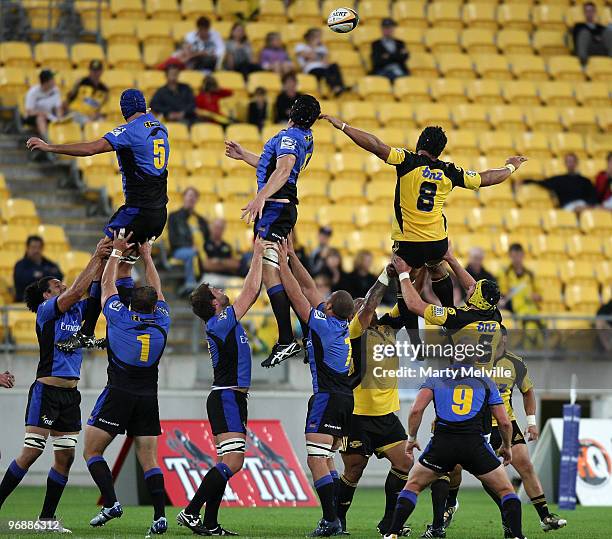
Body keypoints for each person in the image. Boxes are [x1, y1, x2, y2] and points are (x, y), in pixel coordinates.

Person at [319, 116, 527, 334]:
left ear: (420, 143)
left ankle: (413, 338)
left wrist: (344, 127)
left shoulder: (406, 161)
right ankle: (449, 318)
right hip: (437, 241)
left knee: (406, 280)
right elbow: (486, 178)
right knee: (437, 268)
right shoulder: (449, 171)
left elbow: (376, 146)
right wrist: (511, 167)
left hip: (409, 243)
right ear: (439, 152)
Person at [383, 252, 525, 539]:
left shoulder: (459, 318)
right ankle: (508, 529)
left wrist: (402, 274)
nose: (470, 287)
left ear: (477, 298)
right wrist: (449, 258)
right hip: (481, 400)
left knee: (437, 471)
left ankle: (434, 518)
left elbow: (414, 304)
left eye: (474, 289)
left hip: (451, 391)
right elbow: (474, 287)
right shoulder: (495, 318)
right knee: (491, 479)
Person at [26, 88, 170, 352]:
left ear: (124, 110)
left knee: (103, 256)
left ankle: (87, 331)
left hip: (137, 210)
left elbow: (92, 148)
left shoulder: (128, 130)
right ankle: (127, 326)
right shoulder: (161, 128)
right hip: (159, 214)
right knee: (123, 269)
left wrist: (50, 147)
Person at [0, 238, 110, 532]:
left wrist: (108, 259)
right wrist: (96, 253)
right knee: (32, 451)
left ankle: (46, 519)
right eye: (57, 285)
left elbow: (93, 288)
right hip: (46, 391)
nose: (63, 286)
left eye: (62, 284)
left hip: (69, 395)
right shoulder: (47, 312)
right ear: (47, 295)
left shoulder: (75, 312)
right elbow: (77, 289)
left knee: (66, 456)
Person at [176, 237, 266, 535]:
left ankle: (211, 523)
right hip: (227, 396)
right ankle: (191, 512)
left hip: (231, 398)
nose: (222, 290)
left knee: (225, 461)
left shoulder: (223, 322)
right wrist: (257, 253)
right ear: (214, 303)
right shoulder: (220, 322)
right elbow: (251, 291)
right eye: (216, 290)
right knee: (234, 462)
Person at [224, 94, 320, 368]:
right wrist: (245, 156)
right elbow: (275, 168)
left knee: (269, 271)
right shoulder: (304, 137)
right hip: (279, 208)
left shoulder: (290, 137)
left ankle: (289, 337)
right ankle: (301, 334)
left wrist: (261, 197)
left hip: (275, 209)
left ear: (292, 111)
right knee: (275, 271)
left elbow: (283, 170)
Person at [84, 234, 170, 537]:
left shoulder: (120, 318)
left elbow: (107, 287)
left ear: (131, 302)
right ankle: (159, 517)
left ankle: (111, 503)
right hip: (148, 397)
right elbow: (157, 291)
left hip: (119, 393)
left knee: (92, 451)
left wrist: (116, 254)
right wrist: (147, 256)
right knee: (149, 459)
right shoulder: (163, 319)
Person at [444, 325, 567, 536]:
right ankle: (451, 503)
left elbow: (528, 392)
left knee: (526, 465)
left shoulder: (516, 363)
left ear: (504, 339)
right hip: (476, 425)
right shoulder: (476, 359)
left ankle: (545, 516)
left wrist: (531, 422)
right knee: (458, 469)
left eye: (495, 337)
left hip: (506, 423)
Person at [274, 238, 354, 537]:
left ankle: (330, 520)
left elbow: (298, 296)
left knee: (314, 457)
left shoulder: (322, 324)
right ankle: (336, 521)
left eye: (326, 300)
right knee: (326, 458)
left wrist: (281, 263)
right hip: (344, 399)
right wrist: (294, 255)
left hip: (328, 397)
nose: (321, 300)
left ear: (330, 306)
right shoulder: (339, 324)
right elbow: (310, 289)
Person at [338, 268, 412, 536]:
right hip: (358, 414)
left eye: (363, 303)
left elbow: (408, 304)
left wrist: (414, 271)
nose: (362, 307)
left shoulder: (387, 326)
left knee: (404, 463)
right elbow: (370, 304)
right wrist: (386, 273)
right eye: (357, 307)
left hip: (386, 414)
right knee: (355, 470)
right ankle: (336, 520)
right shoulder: (355, 330)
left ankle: (389, 522)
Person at [168, 187, 209, 295]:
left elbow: (207, 238)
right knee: (192, 254)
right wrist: (189, 246)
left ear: (196, 200)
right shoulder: (174, 217)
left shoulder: (201, 220)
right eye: (189, 195)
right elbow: (173, 239)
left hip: (199, 251)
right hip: (179, 251)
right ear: (184, 198)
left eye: (194, 196)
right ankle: (191, 285)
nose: (191, 198)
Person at [525, 153, 598, 212]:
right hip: (567, 208)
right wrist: (527, 180)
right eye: (569, 161)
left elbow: (593, 197)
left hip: (584, 205)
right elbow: (544, 183)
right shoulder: (559, 180)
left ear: (577, 163)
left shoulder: (585, 181)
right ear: (565, 163)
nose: (571, 164)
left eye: (573, 161)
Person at [295, 28, 346, 96]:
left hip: (322, 67)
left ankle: (339, 86)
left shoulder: (322, 47)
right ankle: (333, 87)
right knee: (324, 71)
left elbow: (325, 61)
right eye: (318, 36)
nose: (320, 38)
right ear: (311, 37)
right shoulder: (301, 46)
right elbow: (307, 55)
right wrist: (314, 48)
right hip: (310, 68)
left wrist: (313, 57)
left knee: (334, 66)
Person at [13, 235, 63, 302]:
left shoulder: (49, 264)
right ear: (27, 248)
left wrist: (39, 275)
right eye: (33, 247)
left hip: (48, 302)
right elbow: (23, 281)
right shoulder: (20, 265)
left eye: (39, 248)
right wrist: (46, 275)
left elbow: (59, 276)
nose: (36, 250)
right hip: (25, 304)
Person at [498, 243, 541, 318]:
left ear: (523, 255)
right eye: (514, 256)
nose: (517, 259)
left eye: (519, 256)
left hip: (529, 306)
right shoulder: (504, 273)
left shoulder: (530, 274)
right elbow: (503, 293)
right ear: (510, 256)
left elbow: (539, 293)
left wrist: (535, 296)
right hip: (511, 307)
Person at [65, 59, 108, 125]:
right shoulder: (81, 82)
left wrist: (94, 116)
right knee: (86, 122)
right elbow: (69, 98)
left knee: (103, 123)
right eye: (93, 70)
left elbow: (101, 109)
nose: (95, 73)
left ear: (101, 71)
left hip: (91, 118)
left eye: (97, 70)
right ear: (89, 70)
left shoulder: (104, 90)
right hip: (75, 113)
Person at [24, 69, 64, 137]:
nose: (54, 81)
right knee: (40, 118)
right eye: (52, 79)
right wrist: (42, 113)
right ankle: (47, 142)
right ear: (46, 82)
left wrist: (60, 119)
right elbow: (29, 112)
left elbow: (58, 108)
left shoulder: (56, 90)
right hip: (33, 117)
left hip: (49, 116)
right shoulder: (33, 92)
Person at [572, 1, 612, 65]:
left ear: (595, 12)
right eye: (587, 11)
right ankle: (583, 63)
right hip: (587, 49)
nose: (589, 13)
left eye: (591, 11)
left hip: (600, 48)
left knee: (608, 32)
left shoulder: (600, 27)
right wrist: (596, 37)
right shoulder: (578, 26)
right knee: (584, 33)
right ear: (584, 13)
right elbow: (576, 40)